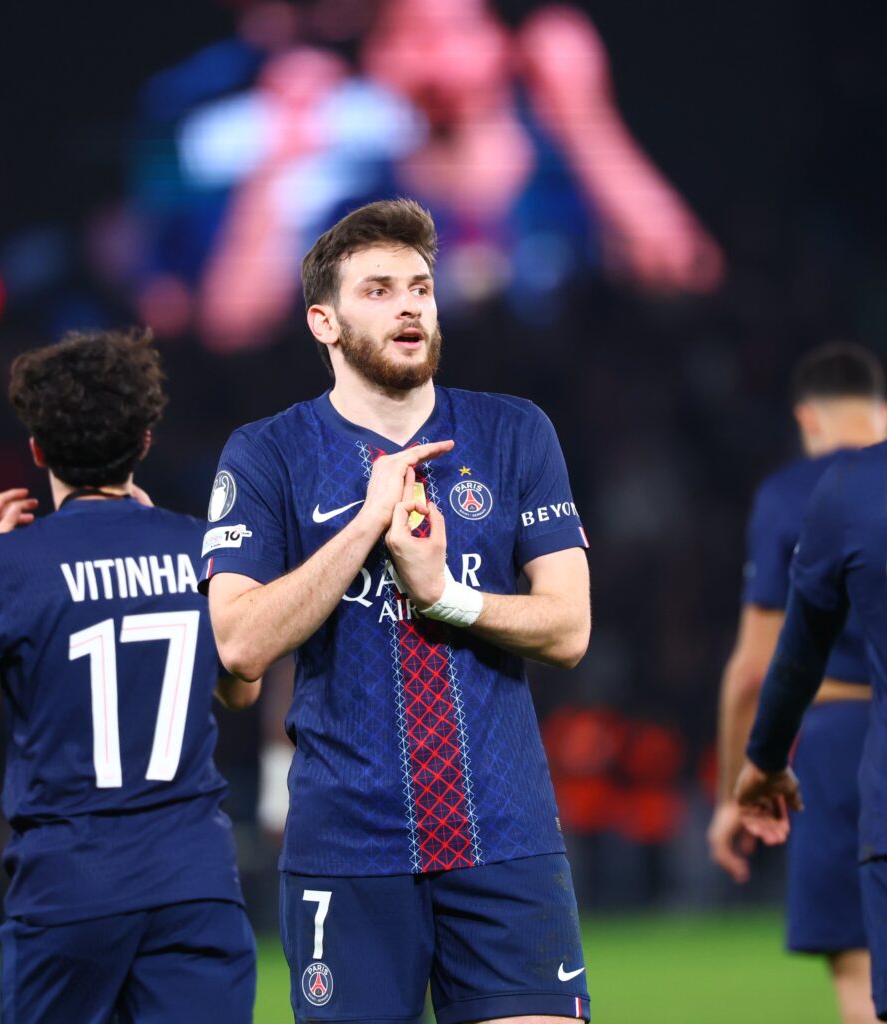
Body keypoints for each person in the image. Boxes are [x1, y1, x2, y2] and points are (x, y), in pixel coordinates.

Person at [205, 198, 592, 1023]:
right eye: (378, 291)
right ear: (325, 322)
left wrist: (443, 594)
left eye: (420, 287)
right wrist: (365, 526)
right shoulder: (268, 453)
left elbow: (569, 628)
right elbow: (237, 644)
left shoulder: (514, 432)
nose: (410, 306)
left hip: (505, 834)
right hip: (346, 848)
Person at [0, 329, 258, 1024]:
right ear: (144, 441)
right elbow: (244, 686)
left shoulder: (13, 565)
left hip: (71, 888)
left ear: (38, 450)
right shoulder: (200, 549)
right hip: (195, 881)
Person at [708, 343, 887, 1024]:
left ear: (806, 419)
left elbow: (755, 669)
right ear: (885, 413)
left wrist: (739, 785)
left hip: (841, 744)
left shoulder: (796, 494)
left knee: (863, 970)